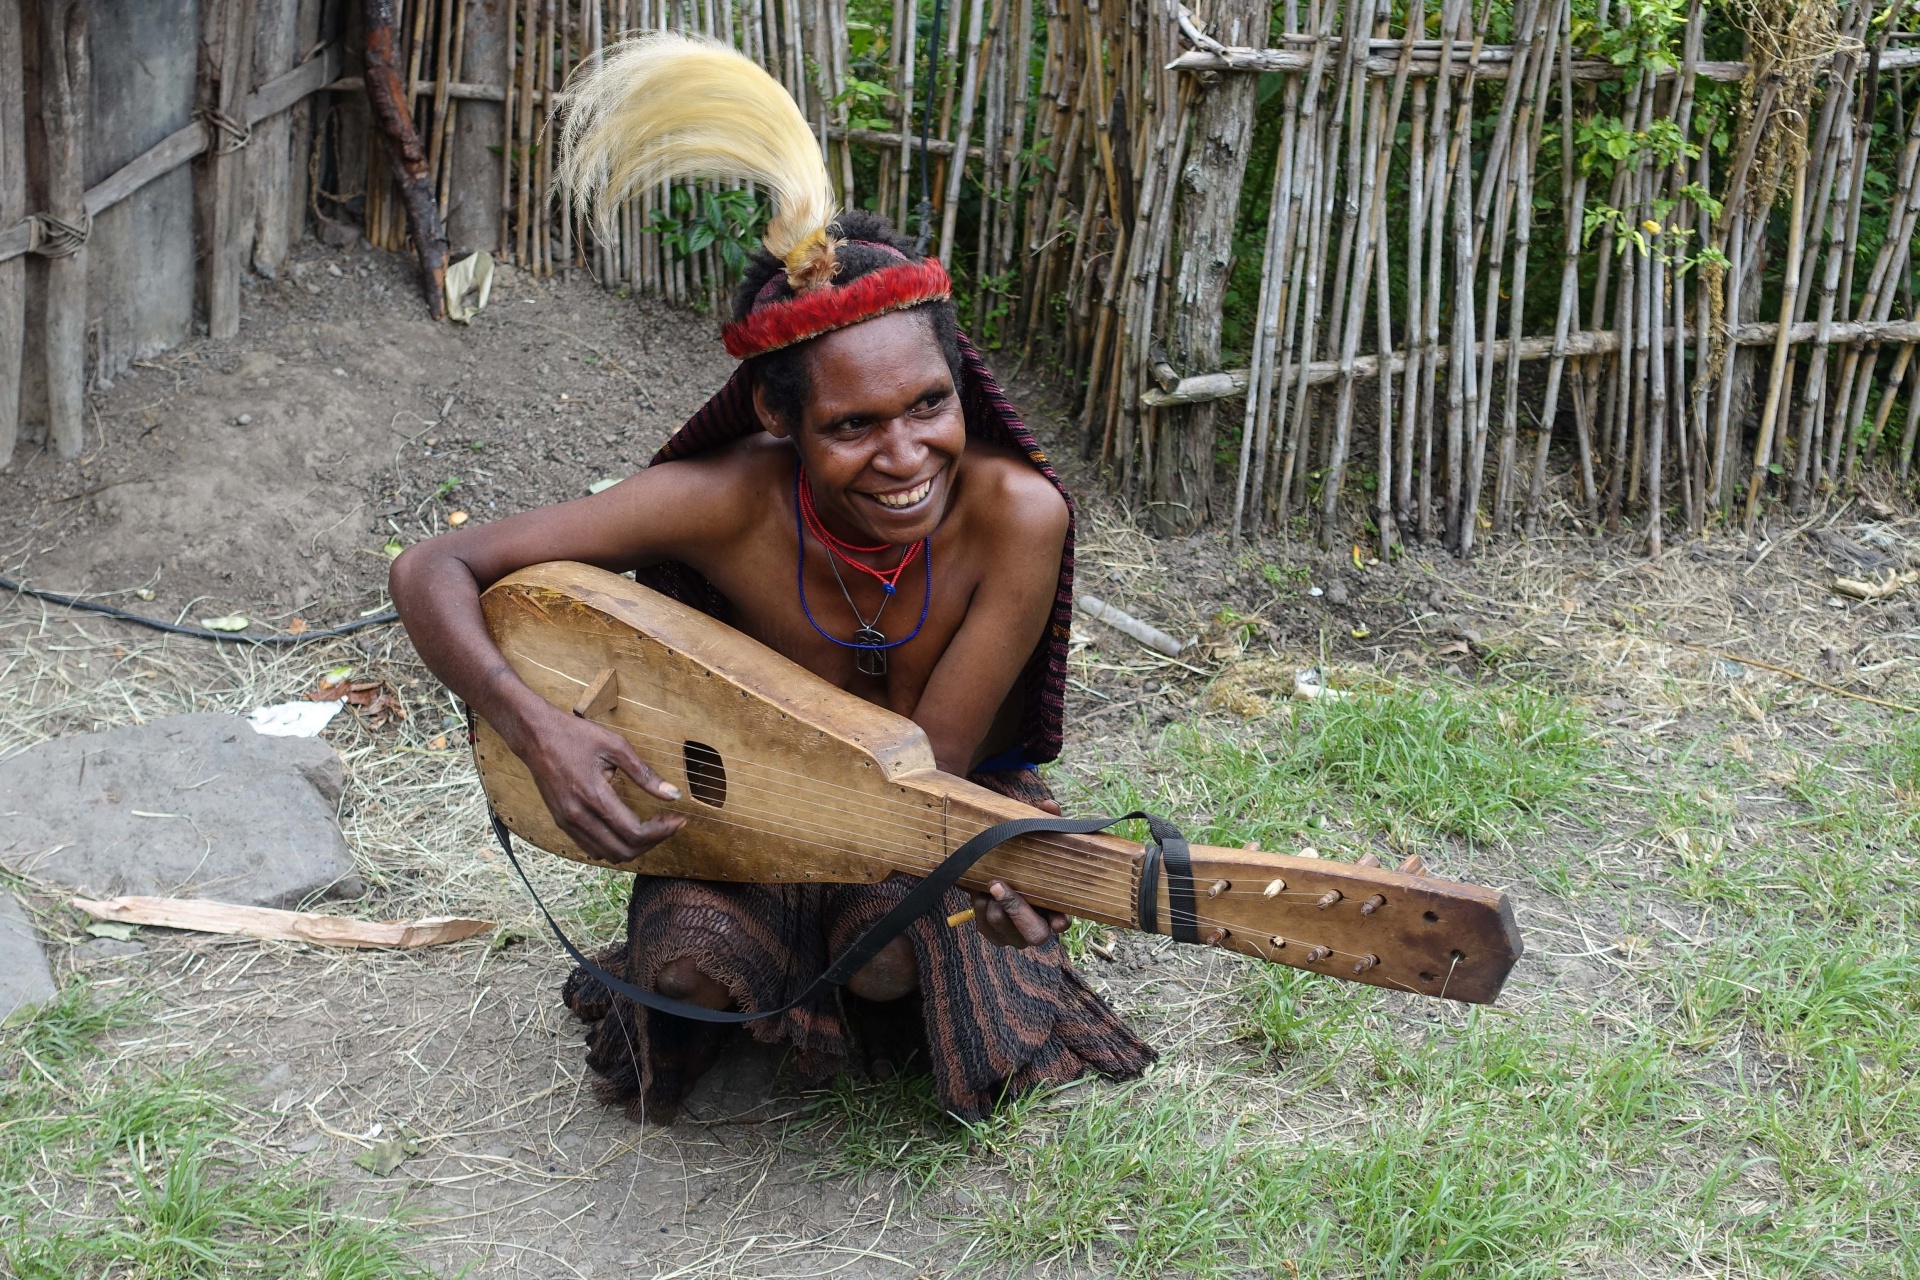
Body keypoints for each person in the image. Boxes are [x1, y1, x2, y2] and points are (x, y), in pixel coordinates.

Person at [389, 32, 1152, 1122]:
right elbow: (431, 567)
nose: (904, 455)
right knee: (691, 972)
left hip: (935, 801)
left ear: (960, 384)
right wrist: (532, 724)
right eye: (852, 425)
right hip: (746, 802)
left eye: (929, 405)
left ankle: (862, 983)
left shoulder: (1017, 516)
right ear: (776, 416)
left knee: (890, 949)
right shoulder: (728, 498)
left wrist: (999, 871)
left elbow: (927, 775)